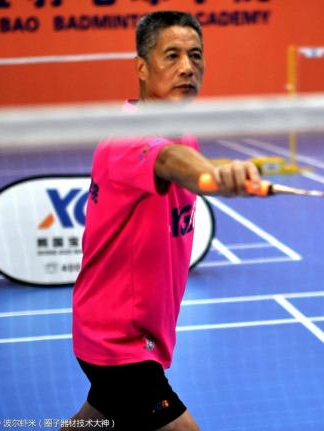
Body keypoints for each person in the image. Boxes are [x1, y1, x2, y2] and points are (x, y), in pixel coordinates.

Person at [62, 11, 260, 431]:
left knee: (91, 424)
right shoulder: (127, 137)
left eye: (196, 55)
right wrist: (215, 176)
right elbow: (169, 161)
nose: (187, 67)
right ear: (141, 67)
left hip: (141, 333)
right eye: (172, 55)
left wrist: (222, 172)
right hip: (117, 339)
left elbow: (183, 157)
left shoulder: (179, 130)